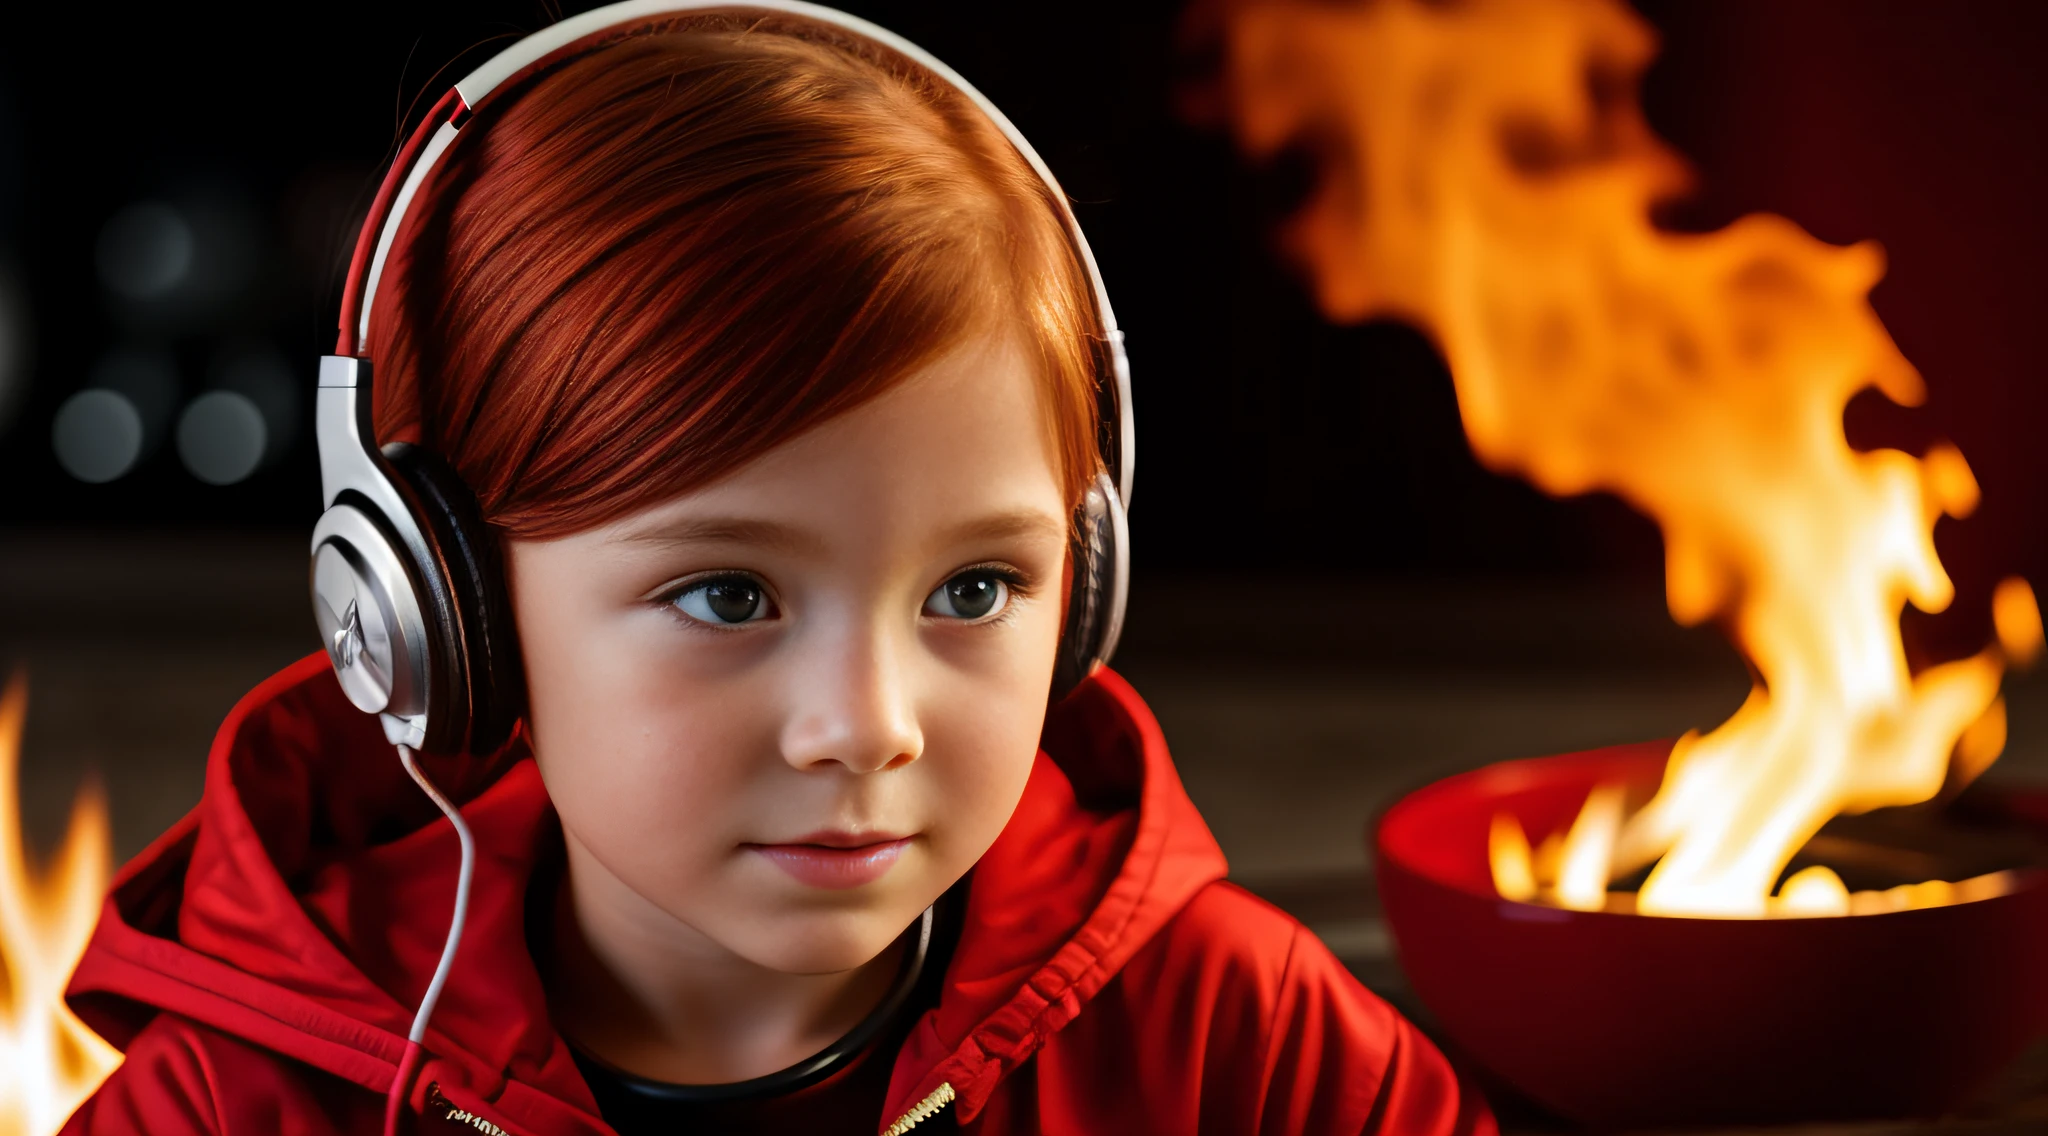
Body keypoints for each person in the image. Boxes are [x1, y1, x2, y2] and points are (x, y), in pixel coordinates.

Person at [60, 5, 1499, 1134]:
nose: (868, 724)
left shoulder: (1250, 1052)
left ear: (1089, 580)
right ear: (446, 615)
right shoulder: (235, 1107)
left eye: (976, 589)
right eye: (730, 596)